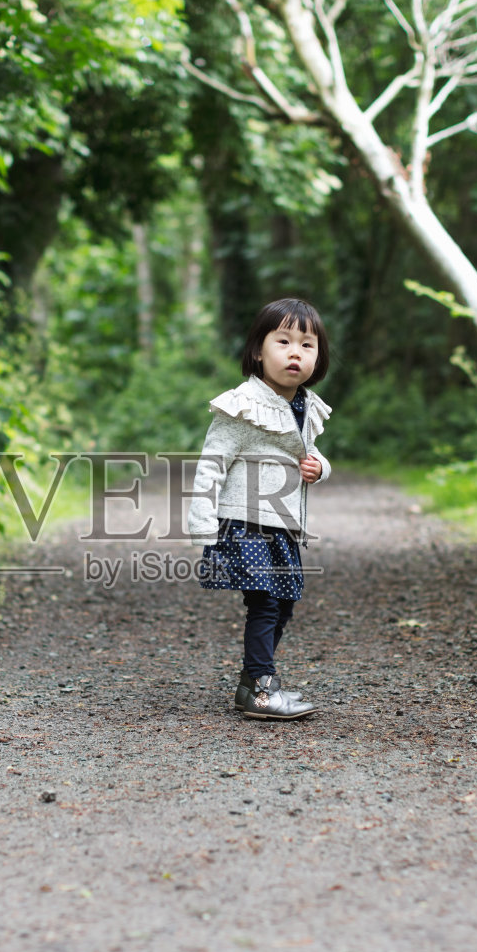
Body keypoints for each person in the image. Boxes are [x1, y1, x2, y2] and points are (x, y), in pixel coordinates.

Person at [188, 298, 333, 721]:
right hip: (247, 523)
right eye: (283, 341)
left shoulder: (304, 404)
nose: (295, 353)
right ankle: (261, 686)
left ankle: (254, 681)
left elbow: (313, 453)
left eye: (307, 345)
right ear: (258, 351)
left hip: (282, 525)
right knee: (266, 601)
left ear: (318, 357)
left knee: (283, 602)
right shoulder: (242, 405)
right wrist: (202, 524)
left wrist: (319, 467)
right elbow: (211, 464)